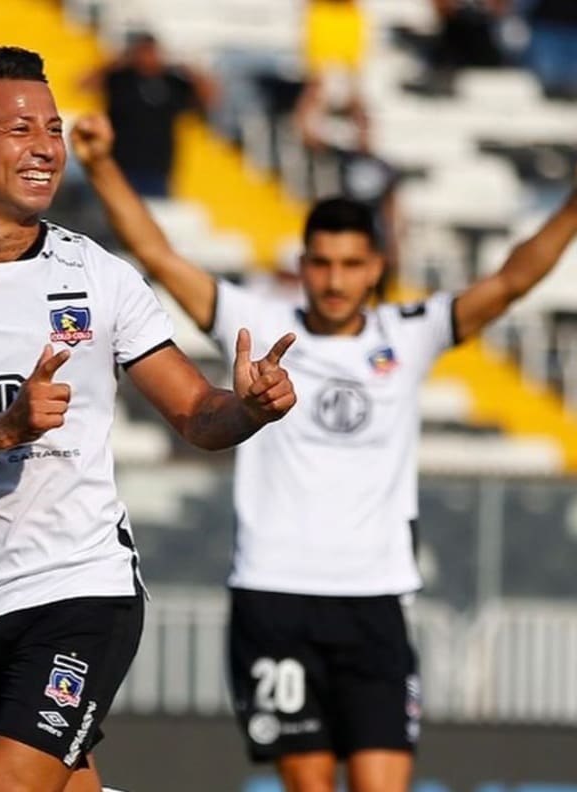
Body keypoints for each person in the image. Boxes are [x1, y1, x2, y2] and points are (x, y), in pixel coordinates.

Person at [71, 112, 577, 792]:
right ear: (302, 264)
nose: (335, 280)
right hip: (275, 593)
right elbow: (160, 257)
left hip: (375, 598)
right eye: (322, 263)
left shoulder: (413, 331)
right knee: (308, 786)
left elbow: (512, 281)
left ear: (375, 268)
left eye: (350, 264)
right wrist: (103, 165)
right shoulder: (260, 323)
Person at [0, 46, 296, 792]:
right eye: (20, 130)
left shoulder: (100, 276)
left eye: (52, 129)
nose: (46, 149)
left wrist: (247, 408)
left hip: (80, 591)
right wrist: (6, 429)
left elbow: (195, 412)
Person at [81, 31, 216, 198]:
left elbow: (209, 97)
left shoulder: (172, 82)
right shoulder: (122, 78)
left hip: (157, 168)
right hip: (120, 164)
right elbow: (84, 84)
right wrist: (116, 62)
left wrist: (189, 68)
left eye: (151, 52)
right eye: (142, 51)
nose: (148, 57)